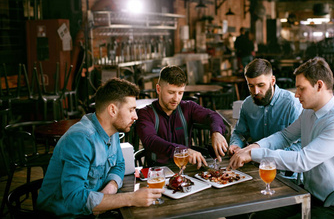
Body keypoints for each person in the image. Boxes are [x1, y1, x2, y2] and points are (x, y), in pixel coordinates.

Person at [228, 57, 334, 218]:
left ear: (319, 86)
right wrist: (253, 147)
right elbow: (284, 136)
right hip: (310, 196)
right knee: (258, 217)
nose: (296, 94)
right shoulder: (309, 112)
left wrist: (252, 154)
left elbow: (302, 161)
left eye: (301, 88)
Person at [37, 78, 164, 218]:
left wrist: (110, 189)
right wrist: (131, 198)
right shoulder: (81, 139)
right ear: (112, 110)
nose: (136, 116)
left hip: (93, 211)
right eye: (131, 110)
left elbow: (119, 165)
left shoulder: (111, 130)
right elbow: (75, 199)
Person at [136, 65, 228, 168]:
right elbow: (151, 140)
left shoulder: (188, 107)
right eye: (171, 92)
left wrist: (216, 132)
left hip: (186, 169)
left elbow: (213, 115)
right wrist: (182, 151)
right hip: (159, 171)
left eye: (180, 93)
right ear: (158, 89)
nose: (176, 98)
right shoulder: (145, 113)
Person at [229, 58, 303, 156]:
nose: (255, 91)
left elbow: (301, 144)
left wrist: (268, 157)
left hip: (284, 167)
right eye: (251, 86)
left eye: (261, 85)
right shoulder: (247, 104)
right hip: (255, 164)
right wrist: (235, 145)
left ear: (272, 81)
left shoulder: (292, 104)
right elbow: (239, 133)